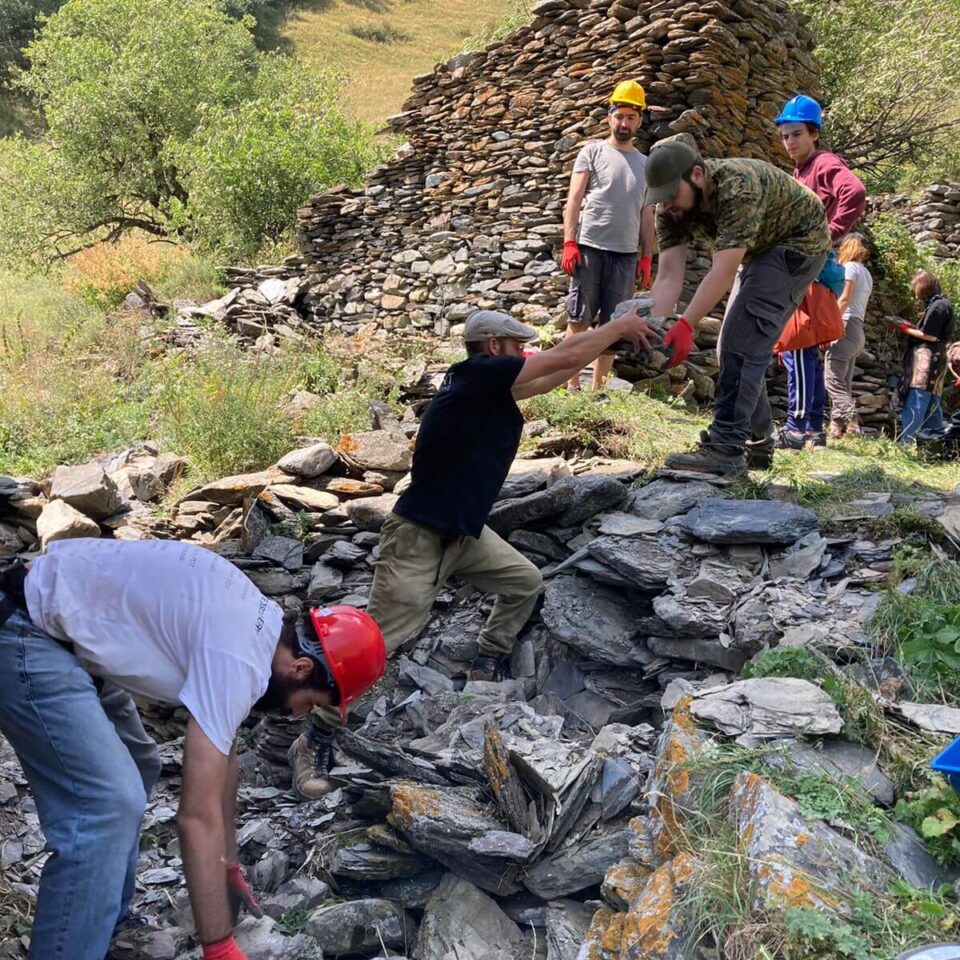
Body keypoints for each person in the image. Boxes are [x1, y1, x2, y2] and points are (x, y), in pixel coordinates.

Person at [287, 306, 661, 799]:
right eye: (517, 346)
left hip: (462, 533)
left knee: (524, 582)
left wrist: (610, 344)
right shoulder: (477, 375)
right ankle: (313, 738)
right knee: (373, 643)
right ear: (493, 348)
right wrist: (617, 327)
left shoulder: (487, 389)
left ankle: (486, 662)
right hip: (419, 535)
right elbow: (560, 356)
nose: (525, 352)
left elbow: (554, 373)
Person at [0, 539, 386, 960]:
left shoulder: (260, 628)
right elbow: (195, 817)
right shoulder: (238, 660)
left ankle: (101, 922)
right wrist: (219, 946)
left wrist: (226, 865)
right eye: (310, 703)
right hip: (26, 631)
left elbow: (224, 761)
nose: (296, 715)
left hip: (67, 630)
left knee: (138, 763)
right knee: (107, 805)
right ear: (302, 668)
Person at [645, 139, 831, 475]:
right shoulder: (669, 207)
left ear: (698, 175)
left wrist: (686, 325)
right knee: (728, 346)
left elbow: (724, 269)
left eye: (673, 195)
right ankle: (759, 444)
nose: (668, 205)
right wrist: (650, 326)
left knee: (742, 342)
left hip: (799, 243)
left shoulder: (737, 186)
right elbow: (669, 276)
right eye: (662, 198)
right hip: (759, 248)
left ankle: (725, 449)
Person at [773, 94, 866, 448]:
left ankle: (797, 427)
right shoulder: (801, 171)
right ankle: (812, 428)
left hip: (808, 270)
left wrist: (829, 234)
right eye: (784, 136)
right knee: (806, 351)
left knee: (797, 346)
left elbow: (854, 192)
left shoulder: (823, 163)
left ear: (814, 133)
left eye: (796, 133)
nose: (790, 142)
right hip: (810, 268)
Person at [560, 78, 656, 391]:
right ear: (609, 117)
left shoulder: (646, 165)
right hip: (590, 248)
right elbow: (573, 200)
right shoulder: (592, 153)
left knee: (614, 326)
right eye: (619, 116)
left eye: (630, 117)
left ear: (639, 121)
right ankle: (571, 385)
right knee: (579, 320)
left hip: (625, 255)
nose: (624, 122)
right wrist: (569, 243)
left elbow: (646, 213)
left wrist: (646, 257)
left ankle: (598, 390)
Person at [896, 269, 955, 443]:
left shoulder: (937, 306)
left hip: (928, 358)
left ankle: (906, 443)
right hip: (937, 356)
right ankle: (934, 444)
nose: (915, 292)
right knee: (932, 401)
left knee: (918, 396)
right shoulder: (941, 304)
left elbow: (930, 335)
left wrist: (904, 329)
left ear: (924, 287)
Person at [826, 233, 873, 437]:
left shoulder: (850, 268)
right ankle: (837, 429)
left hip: (845, 326)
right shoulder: (866, 273)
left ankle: (851, 419)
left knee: (832, 379)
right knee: (843, 382)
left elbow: (844, 299)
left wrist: (830, 325)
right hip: (857, 329)